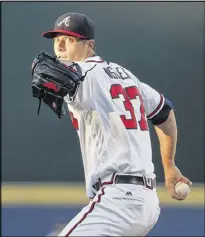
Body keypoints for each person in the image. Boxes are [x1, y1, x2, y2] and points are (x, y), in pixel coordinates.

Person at [41, 12, 192, 236]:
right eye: (57, 40)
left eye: (69, 40)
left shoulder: (82, 73)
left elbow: (66, 76)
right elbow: (165, 113)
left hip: (119, 198)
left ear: (89, 46)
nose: (60, 46)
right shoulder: (126, 76)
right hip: (146, 202)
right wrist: (169, 167)